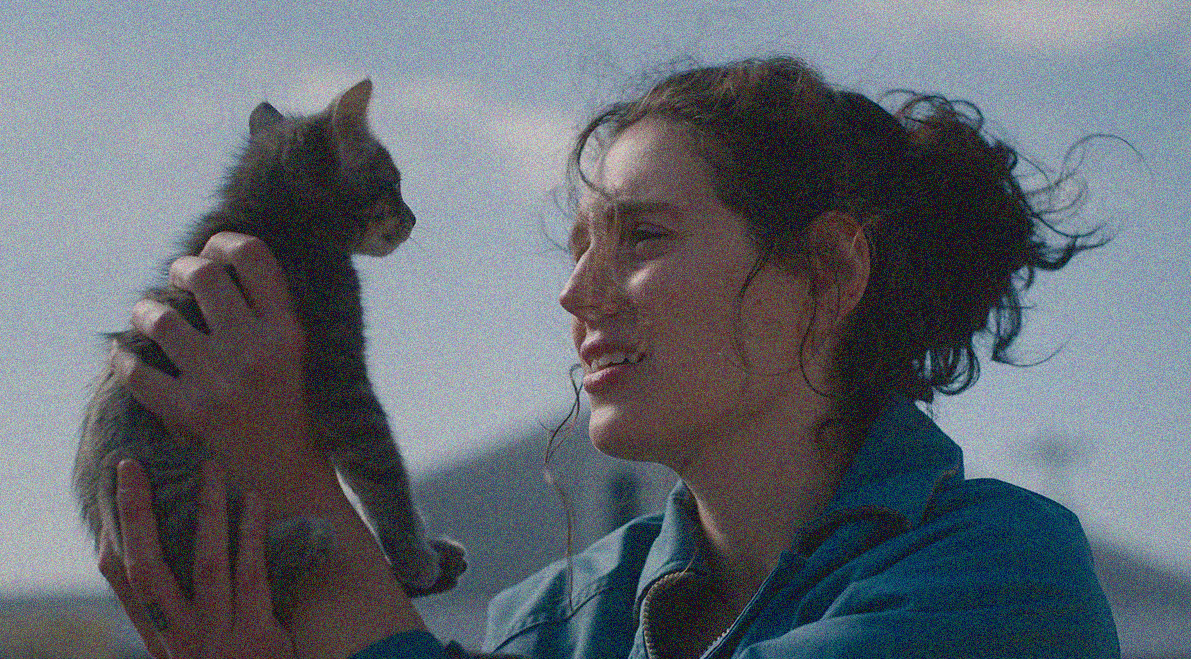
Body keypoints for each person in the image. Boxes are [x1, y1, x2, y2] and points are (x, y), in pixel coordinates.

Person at [100, 56, 1120, 658]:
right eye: (579, 242)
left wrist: (301, 505)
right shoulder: (553, 621)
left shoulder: (1004, 580)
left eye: (643, 237)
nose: (575, 293)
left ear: (829, 270)